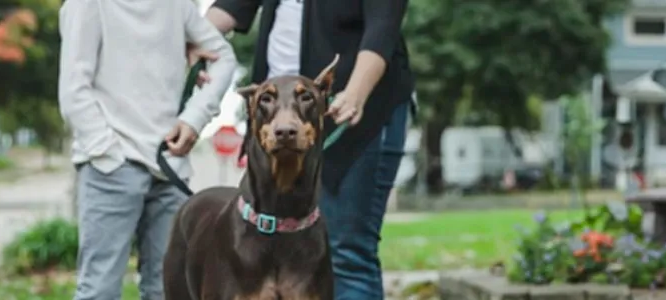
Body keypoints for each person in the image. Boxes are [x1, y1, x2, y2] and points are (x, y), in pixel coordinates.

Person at [198, 0, 414, 298]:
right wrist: (193, 42)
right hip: (276, 123)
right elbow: (231, 7)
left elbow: (383, 26)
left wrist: (354, 94)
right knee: (271, 248)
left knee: (346, 253)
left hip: (352, 118)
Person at [57, 0, 238, 298]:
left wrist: (193, 120)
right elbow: (74, 89)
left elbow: (223, 58)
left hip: (170, 168)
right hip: (110, 168)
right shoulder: (88, 4)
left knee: (168, 289)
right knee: (99, 288)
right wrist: (106, 150)